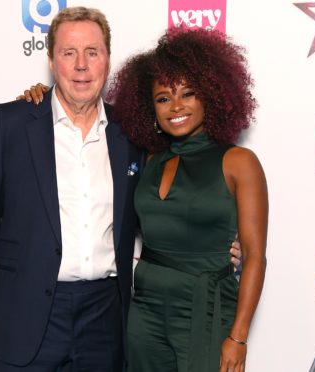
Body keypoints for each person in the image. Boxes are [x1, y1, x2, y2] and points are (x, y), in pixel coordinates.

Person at [0, 7, 144, 371]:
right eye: (68, 52)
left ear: (107, 59)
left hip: (105, 316)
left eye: (92, 52)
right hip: (28, 310)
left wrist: (215, 241)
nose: (81, 65)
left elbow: (154, 207)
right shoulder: (9, 123)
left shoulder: (130, 133)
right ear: (50, 60)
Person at [106, 29, 268, 372]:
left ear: (211, 95)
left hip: (205, 309)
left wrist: (238, 338)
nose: (176, 106)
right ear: (150, 107)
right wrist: (46, 97)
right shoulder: (148, 158)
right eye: (163, 98)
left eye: (188, 94)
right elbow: (88, 117)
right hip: (145, 309)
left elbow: (254, 256)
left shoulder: (238, 162)